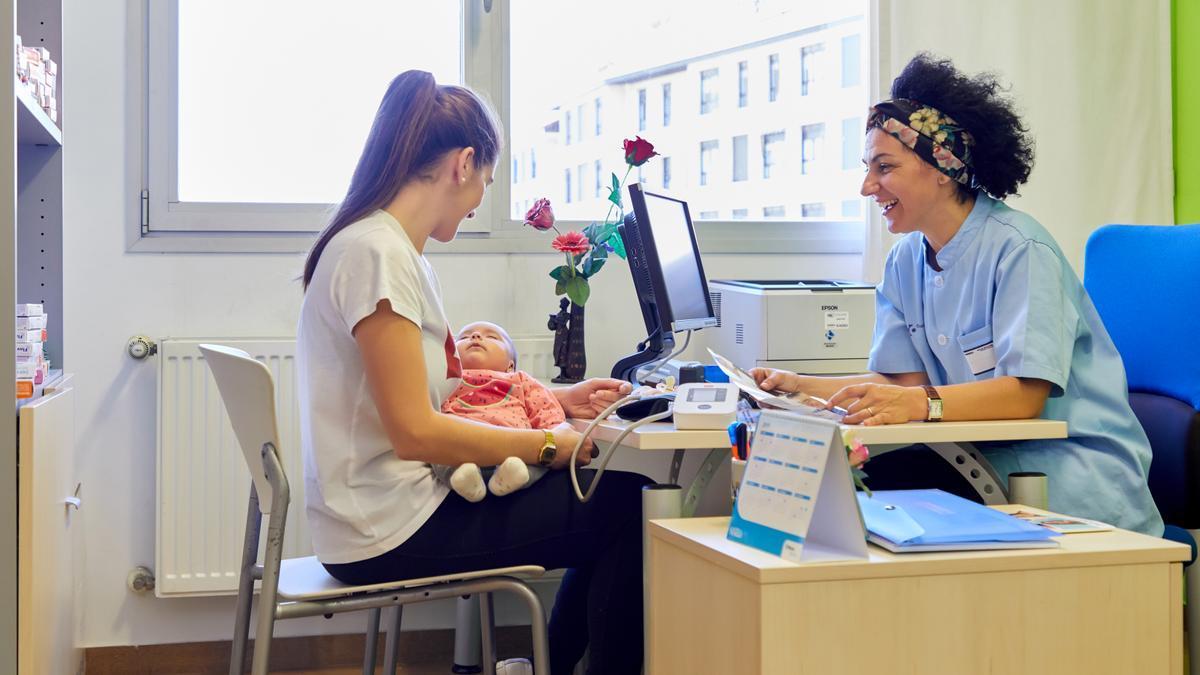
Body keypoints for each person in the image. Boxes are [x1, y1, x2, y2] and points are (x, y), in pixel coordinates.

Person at [296, 70, 650, 675]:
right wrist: (548, 445)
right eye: (486, 177)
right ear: (463, 164)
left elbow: (445, 394)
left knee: (615, 499)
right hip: (386, 529)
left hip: (377, 516)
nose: (483, 194)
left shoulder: (386, 250)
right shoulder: (377, 255)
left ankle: (553, 667)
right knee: (631, 504)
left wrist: (557, 399)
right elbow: (417, 432)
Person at [751, 54, 1162, 536]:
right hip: (979, 460)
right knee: (837, 492)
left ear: (942, 167)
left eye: (884, 167)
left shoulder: (1020, 250)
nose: (867, 187)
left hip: (1066, 474)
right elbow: (902, 383)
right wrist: (801, 388)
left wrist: (922, 404)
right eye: (867, 168)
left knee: (858, 499)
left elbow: (1024, 396)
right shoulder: (906, 260)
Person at [436, 320, 566, 502]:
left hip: (517, 449)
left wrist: (557, 433)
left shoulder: (520, 380)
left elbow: (545, 409)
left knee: (542, 456)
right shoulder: (446, 382)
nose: (475, 336)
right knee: (435, 449)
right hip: (461, 449)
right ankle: (459, 476)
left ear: (510, 366)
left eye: (491, 337)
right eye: (464, 337)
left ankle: (516, 475)